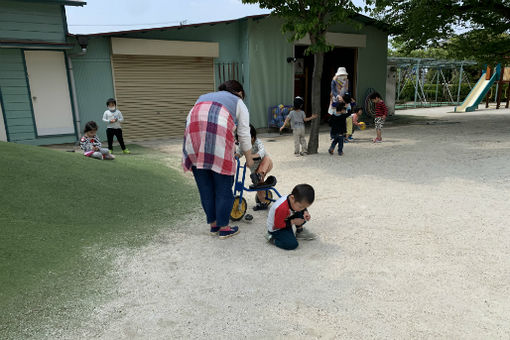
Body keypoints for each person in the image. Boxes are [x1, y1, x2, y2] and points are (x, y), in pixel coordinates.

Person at [182, 80, 254, 239]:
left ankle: (213, 225)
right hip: (219, 141)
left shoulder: (202, 97)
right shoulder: (238, 101)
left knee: (205, 187)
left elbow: (190, 120)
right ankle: (225, 228)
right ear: (239, 92)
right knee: (223, 187)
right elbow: (243, 132)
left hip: (194, 142)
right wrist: (249, 158)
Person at [265, 184, 316, 250]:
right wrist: (294, 221)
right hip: (276, 228)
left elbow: (301, 208)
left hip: (286, 219)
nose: (302, 208)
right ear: (292, 198)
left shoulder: (294, 201)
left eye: (305, 207)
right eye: (301, 206)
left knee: (301, 213)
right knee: (292, 244)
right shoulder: (282, 208)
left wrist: (305, 212)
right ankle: (272, 238)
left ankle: (300, 231)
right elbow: (278, 224)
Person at [235, 125, 274, 211]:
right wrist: (236, 156)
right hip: (254, 169)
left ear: (252, 138)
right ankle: (262, 202)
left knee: (266, 159)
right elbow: (239, 152)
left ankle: (259, 175)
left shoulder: (258, 142)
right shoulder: (243, 145)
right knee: (258, 186)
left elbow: (262, 151)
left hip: (265, 164)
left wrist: (252, 156)